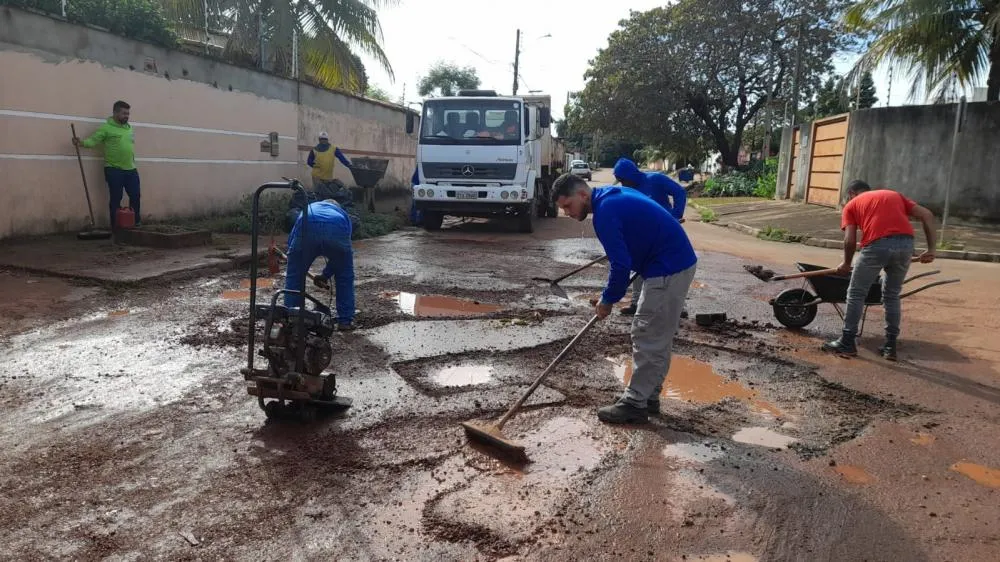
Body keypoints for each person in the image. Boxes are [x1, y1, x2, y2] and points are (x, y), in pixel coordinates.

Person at [552, 173, 697, 424]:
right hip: (673, 262)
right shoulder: (612, 196)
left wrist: (607, 300)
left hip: (667, 267)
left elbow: (620, 265)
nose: (567, 213)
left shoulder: (606, 212)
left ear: (583, 195)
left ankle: (635, 403)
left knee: (648, 334)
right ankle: (648, 396)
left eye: (568, 206)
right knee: (658, 336)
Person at [821, 180, 937, 360]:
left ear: (851, 194)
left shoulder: (851, 204)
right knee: (891, 295)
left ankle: (847, 342)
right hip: (906, 245)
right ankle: (890, 346)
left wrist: (846, 263)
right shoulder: (894, 195)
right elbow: (927, 215)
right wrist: (931, 249)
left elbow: (849, 240)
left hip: (876, 245)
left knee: (856, 293)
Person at [613, 158, 688, 316]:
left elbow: (679, 192)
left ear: (631, 175)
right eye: (620, 181)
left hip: (666, 234)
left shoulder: (655, 179)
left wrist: (675, 215)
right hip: (644, 235)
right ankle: (636, 303)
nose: (623, 184)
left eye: (624, 180)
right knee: (639, 266)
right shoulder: (627, 191)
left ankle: (678, 308)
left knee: (671, 269)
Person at [284, 199, 356, 331]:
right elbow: (341, 258)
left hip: (308, 222)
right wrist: (326, 275)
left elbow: (292, 242)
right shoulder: (342, 214)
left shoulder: (310, 208)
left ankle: (292, 318)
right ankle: (345, 321)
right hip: (336, 226)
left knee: (294, 278)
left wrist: (294, 261)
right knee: (344, 276)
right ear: (336, 206)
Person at [73, 100, 140, 228]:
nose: (127, 116)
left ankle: (135, 223)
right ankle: (116, 226)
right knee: (116, 198)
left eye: (128, 114)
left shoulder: (129, 128)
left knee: (135, 195)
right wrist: (80, 142)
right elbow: (93, 141)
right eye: (124, 113)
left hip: (131, 169)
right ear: (115, 113)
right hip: (114, 169)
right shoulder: (106, 128)